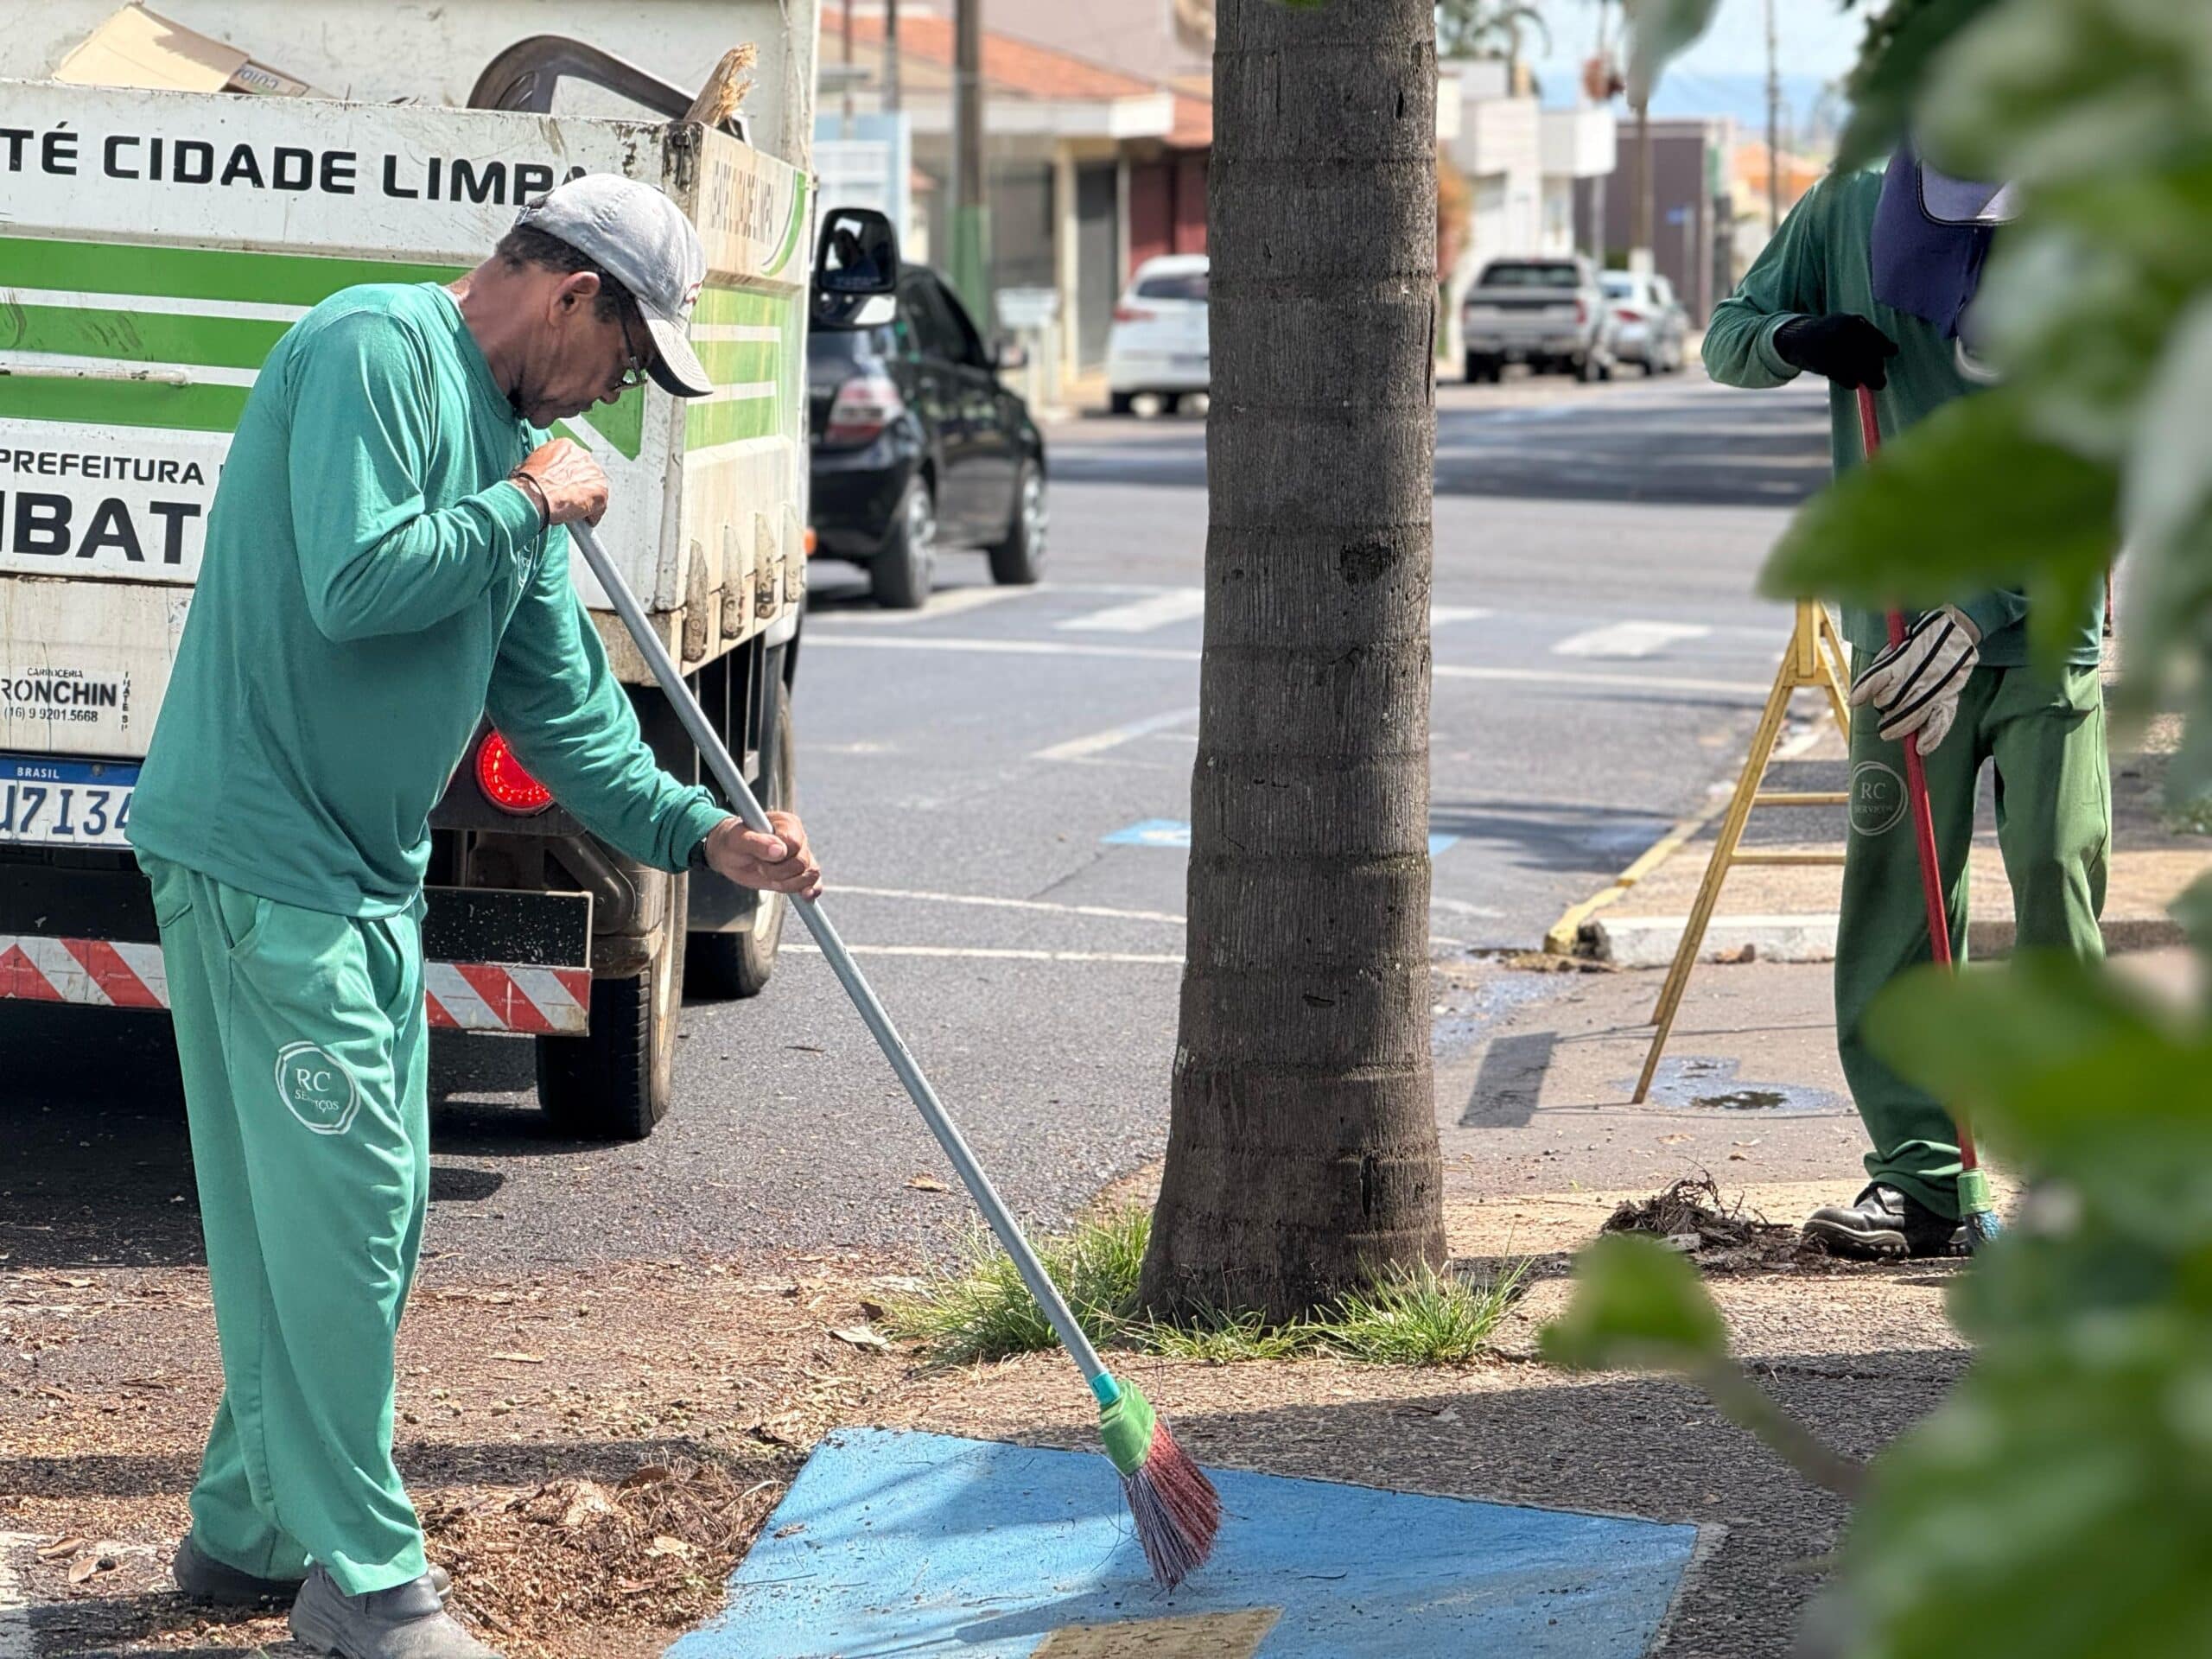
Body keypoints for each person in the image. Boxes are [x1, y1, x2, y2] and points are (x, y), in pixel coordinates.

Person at [126, 175, 823, 1658]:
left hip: (361, 874)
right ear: (572, 295)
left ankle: (247, 1525)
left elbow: (573, 728)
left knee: (336, 1219)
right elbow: (359, 583)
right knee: (348, 1206)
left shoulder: (511, 451)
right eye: (628, 358)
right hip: (258, 855)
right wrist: (525, 505)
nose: (621, 397)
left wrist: (715, 836)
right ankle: (367, 1580)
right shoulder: (372, 350)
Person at [1703, 149, 2108, 1261]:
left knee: (2051, 875)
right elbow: (1727, 335)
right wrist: (1793, 339)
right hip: (1898, 624)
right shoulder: (1844, 207)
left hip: (2041, 623)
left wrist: (1981, 608)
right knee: (1898, 901)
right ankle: (1925, 1185)